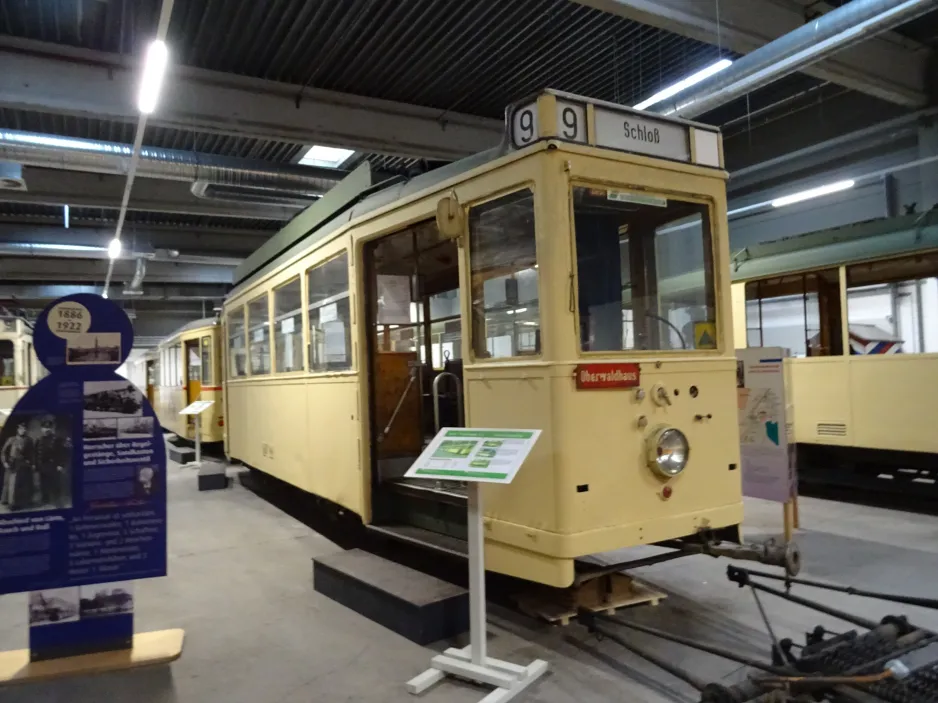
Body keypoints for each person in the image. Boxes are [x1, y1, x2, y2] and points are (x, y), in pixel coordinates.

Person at [1, 421, 35, 510]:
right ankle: (11, 504)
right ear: (17, 429)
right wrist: (5, 462)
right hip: (13, 463)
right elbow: (3, 452)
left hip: (24, 464)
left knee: (24, 484)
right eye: (21, 429)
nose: (22, 431)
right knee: (11, 483)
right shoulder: (11, 439)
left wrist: (31, 463)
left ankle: (23, 502)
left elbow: (32, 454)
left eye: (24, 429)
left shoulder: (29, 440)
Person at [35, 416, 68, 507]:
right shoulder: (39, 440)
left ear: (51, 428)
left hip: (53, 465)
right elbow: (35, 453)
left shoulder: (57, 439)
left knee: (55, 484)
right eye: (45, 428)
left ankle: (57, 501)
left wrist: (61, 465)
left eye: (48, 428)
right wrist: (36, 465)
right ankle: (45, 500)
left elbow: (63, 453)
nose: (46, 430)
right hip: (42, 465)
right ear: (41, 429)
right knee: (43, 484)